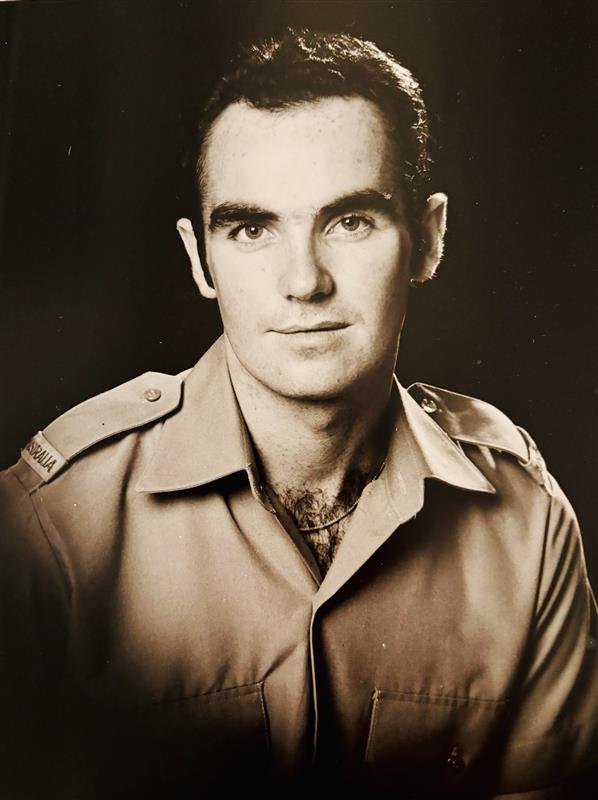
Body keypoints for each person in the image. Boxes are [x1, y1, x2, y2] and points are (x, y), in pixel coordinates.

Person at [1, 27, 596, 799]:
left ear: (428, 239)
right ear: (198, 259)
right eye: (251, 229)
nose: (304, 281)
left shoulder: (525, 521)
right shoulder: (51, 529)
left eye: (350, 221)